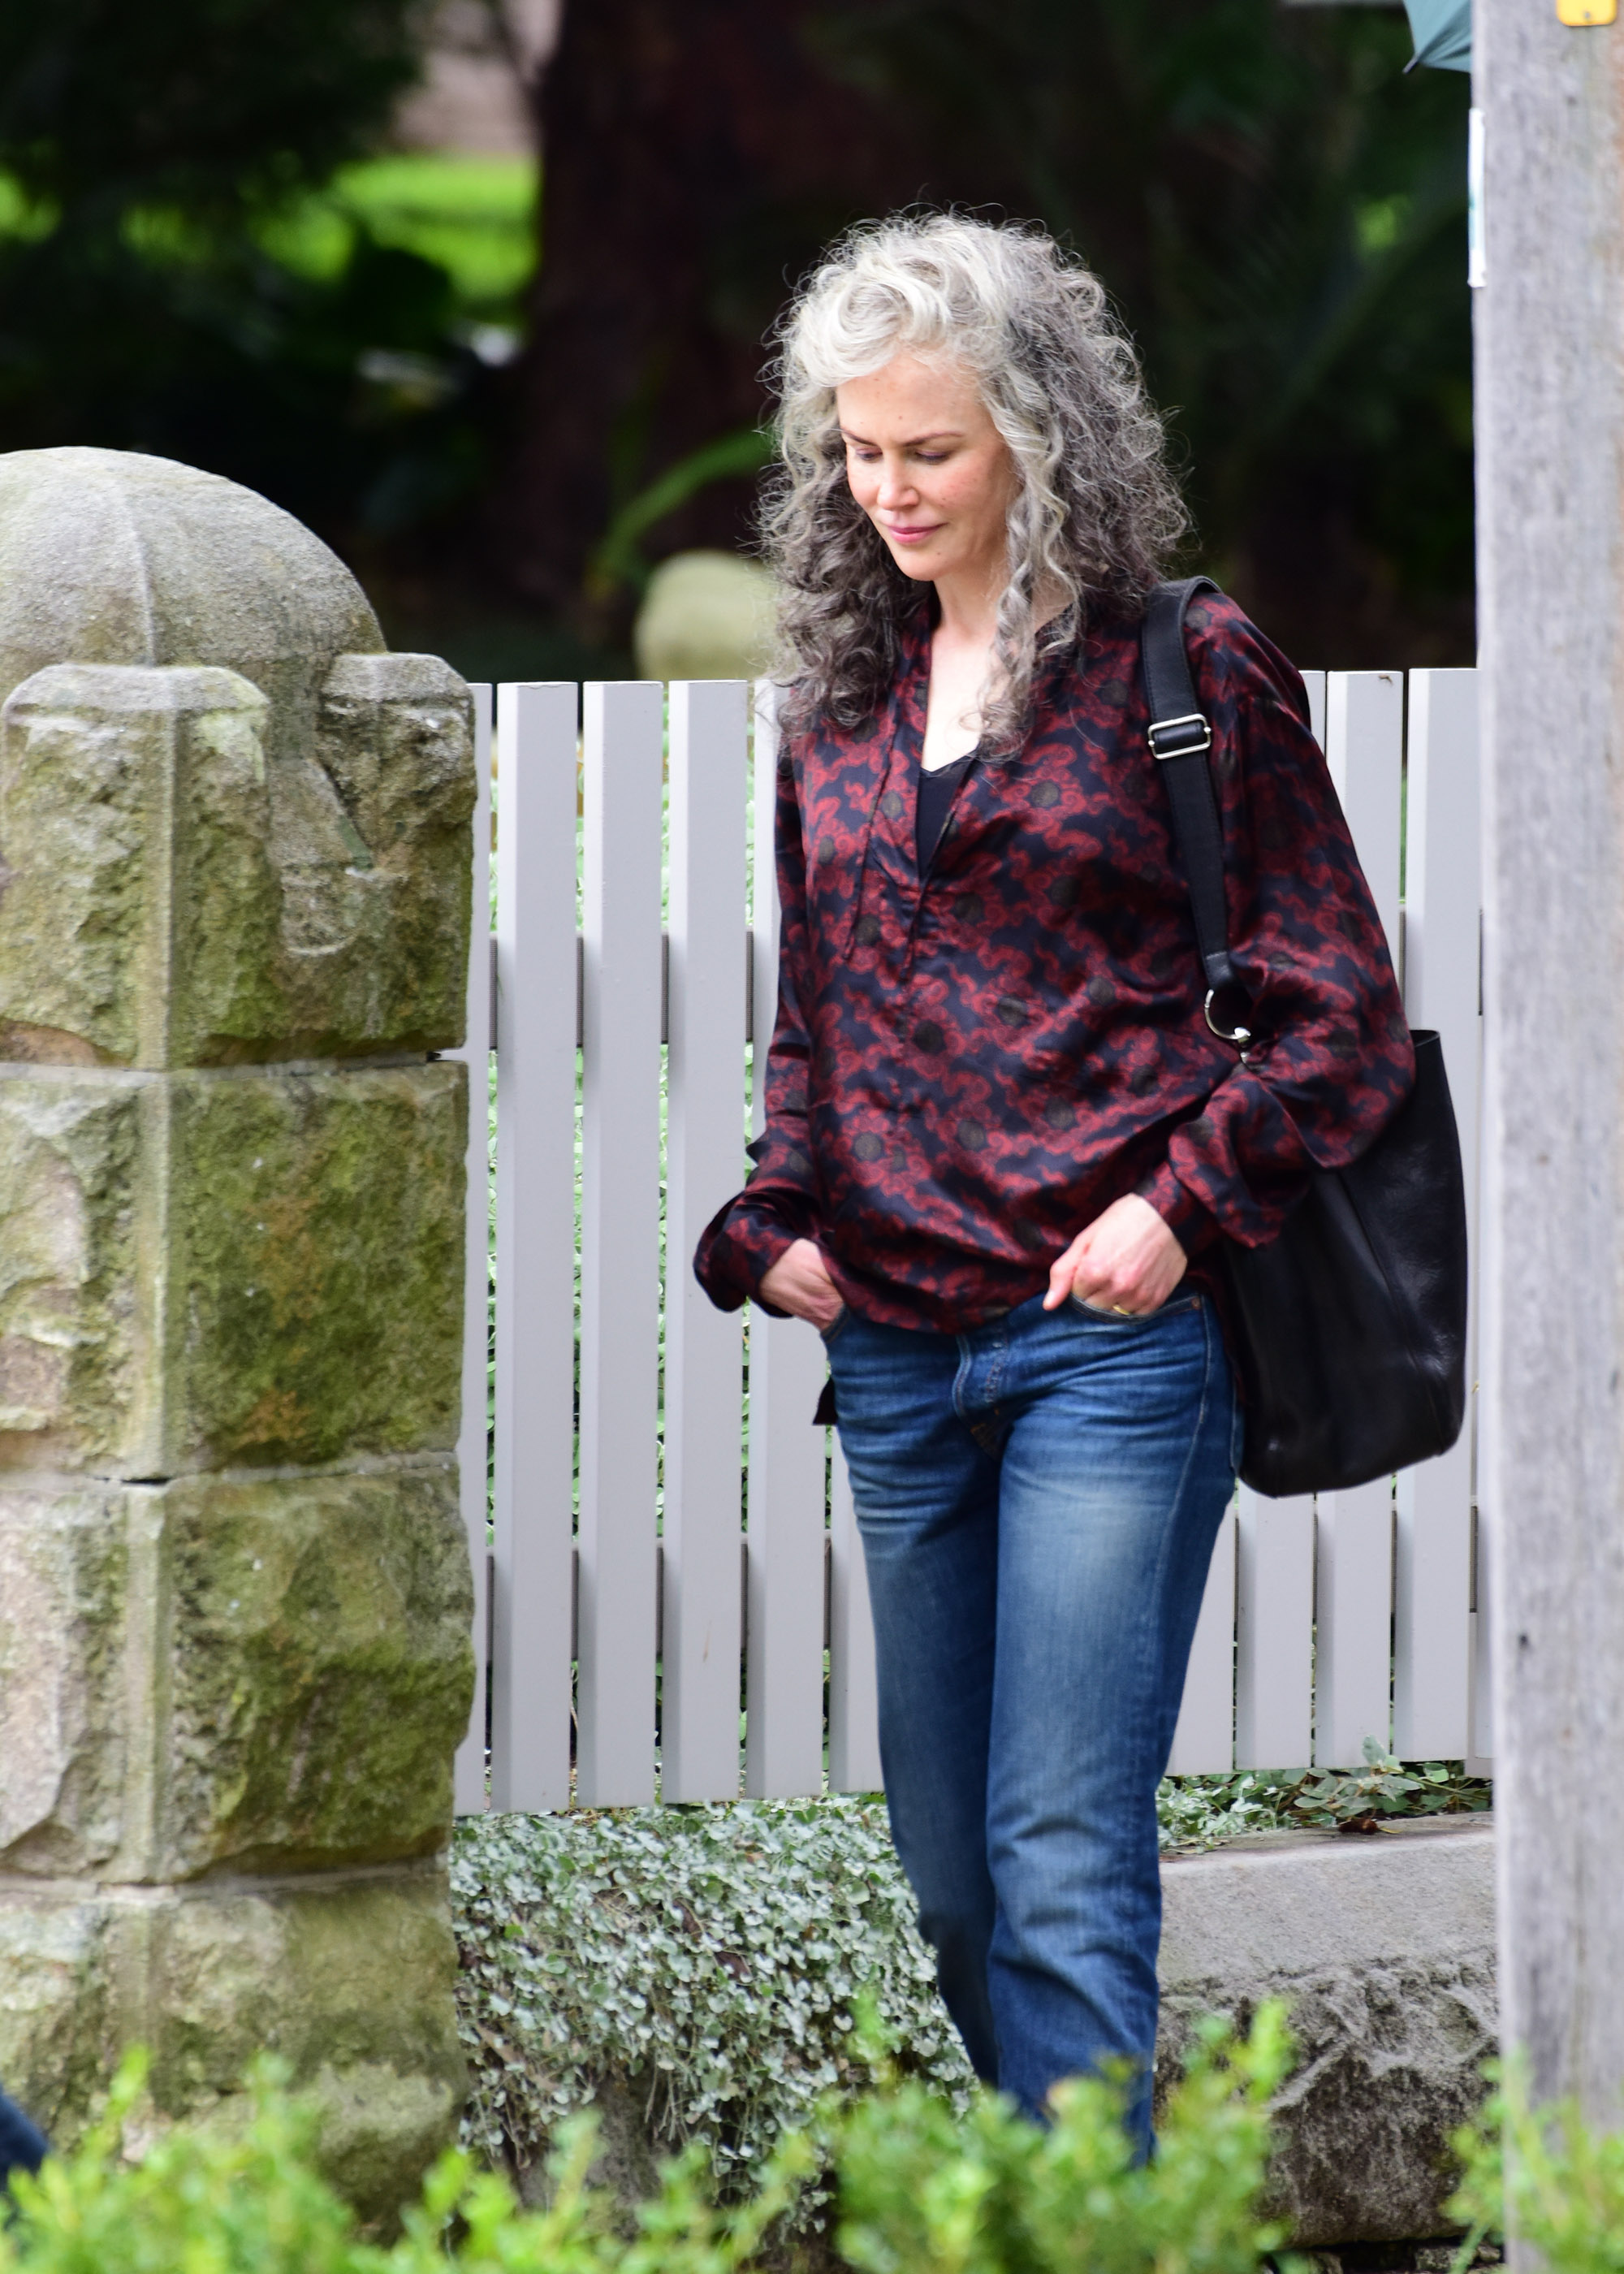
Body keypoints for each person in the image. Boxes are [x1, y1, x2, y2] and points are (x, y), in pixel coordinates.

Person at [694, 213, 1412, 2150]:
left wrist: (1177, 1207)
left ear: (1036, 435)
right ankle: (1067, 2203)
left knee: (1060, 1864)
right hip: (895, 1360)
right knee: (951, 1882)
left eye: (931, 447)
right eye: (860, 449)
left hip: (1109, 1348)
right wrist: (770, 1220)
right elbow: (818, 1012)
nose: (890, 488)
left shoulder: (1183, 666)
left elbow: (1338, 1009)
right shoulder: (839, 692)